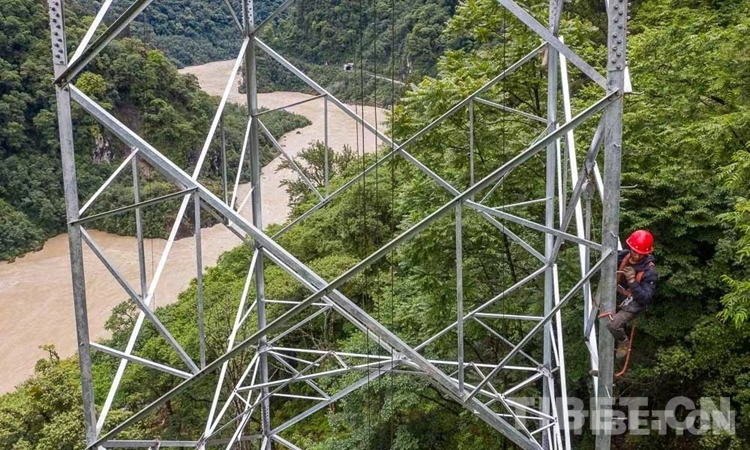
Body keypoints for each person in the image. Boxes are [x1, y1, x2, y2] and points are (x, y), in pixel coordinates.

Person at [607, 230, 658, 359]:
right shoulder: (623, 256)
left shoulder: (649, 271)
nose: (636, 255)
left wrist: (632, 280)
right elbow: (607, 259)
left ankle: (623, 342)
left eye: (640, 253)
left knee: (614, 325)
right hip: (618, 295)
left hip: (633, 303)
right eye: (634, 251)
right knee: (604, 318)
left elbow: (645, 298)